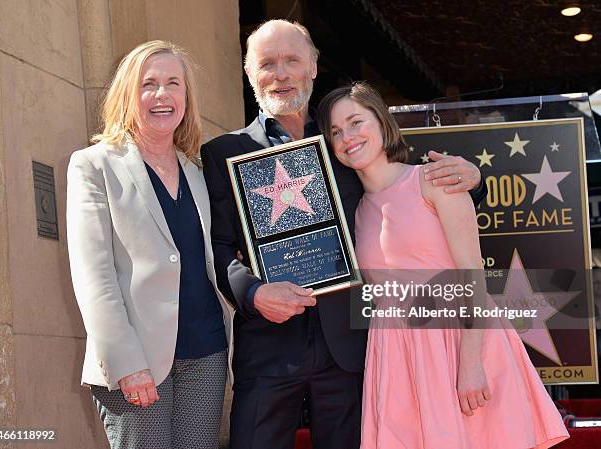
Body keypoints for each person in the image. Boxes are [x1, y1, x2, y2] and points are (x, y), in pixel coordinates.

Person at [201, 20, 485, 449]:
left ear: (313, 66)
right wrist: (253, 294)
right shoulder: (224, 153)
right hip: (268, 348)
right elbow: (219, 247)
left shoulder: (345, 140)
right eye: (267, 63)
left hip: (352, 350)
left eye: (292, 60)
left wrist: (472, 180)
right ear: (249, 72)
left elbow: (404, 190)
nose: (280, 74)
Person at [317, 81, 570, 449]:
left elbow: (472, 277)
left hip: (459, 344)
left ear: (382, 121)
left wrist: (470, 365)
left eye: (356, 122)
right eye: (336, 131)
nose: (347, 136)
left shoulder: (434, 180)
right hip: (395, 357)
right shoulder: (355, 212)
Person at [67, 40, 234, 449]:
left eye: (173, 83)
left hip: (206, 353)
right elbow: (95, 277)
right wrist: (126, 363)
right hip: (136, 360)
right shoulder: (94, 165)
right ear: (128, 94)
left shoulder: (199, 170)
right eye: (149, 84)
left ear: (186, 97)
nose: (162, 95)